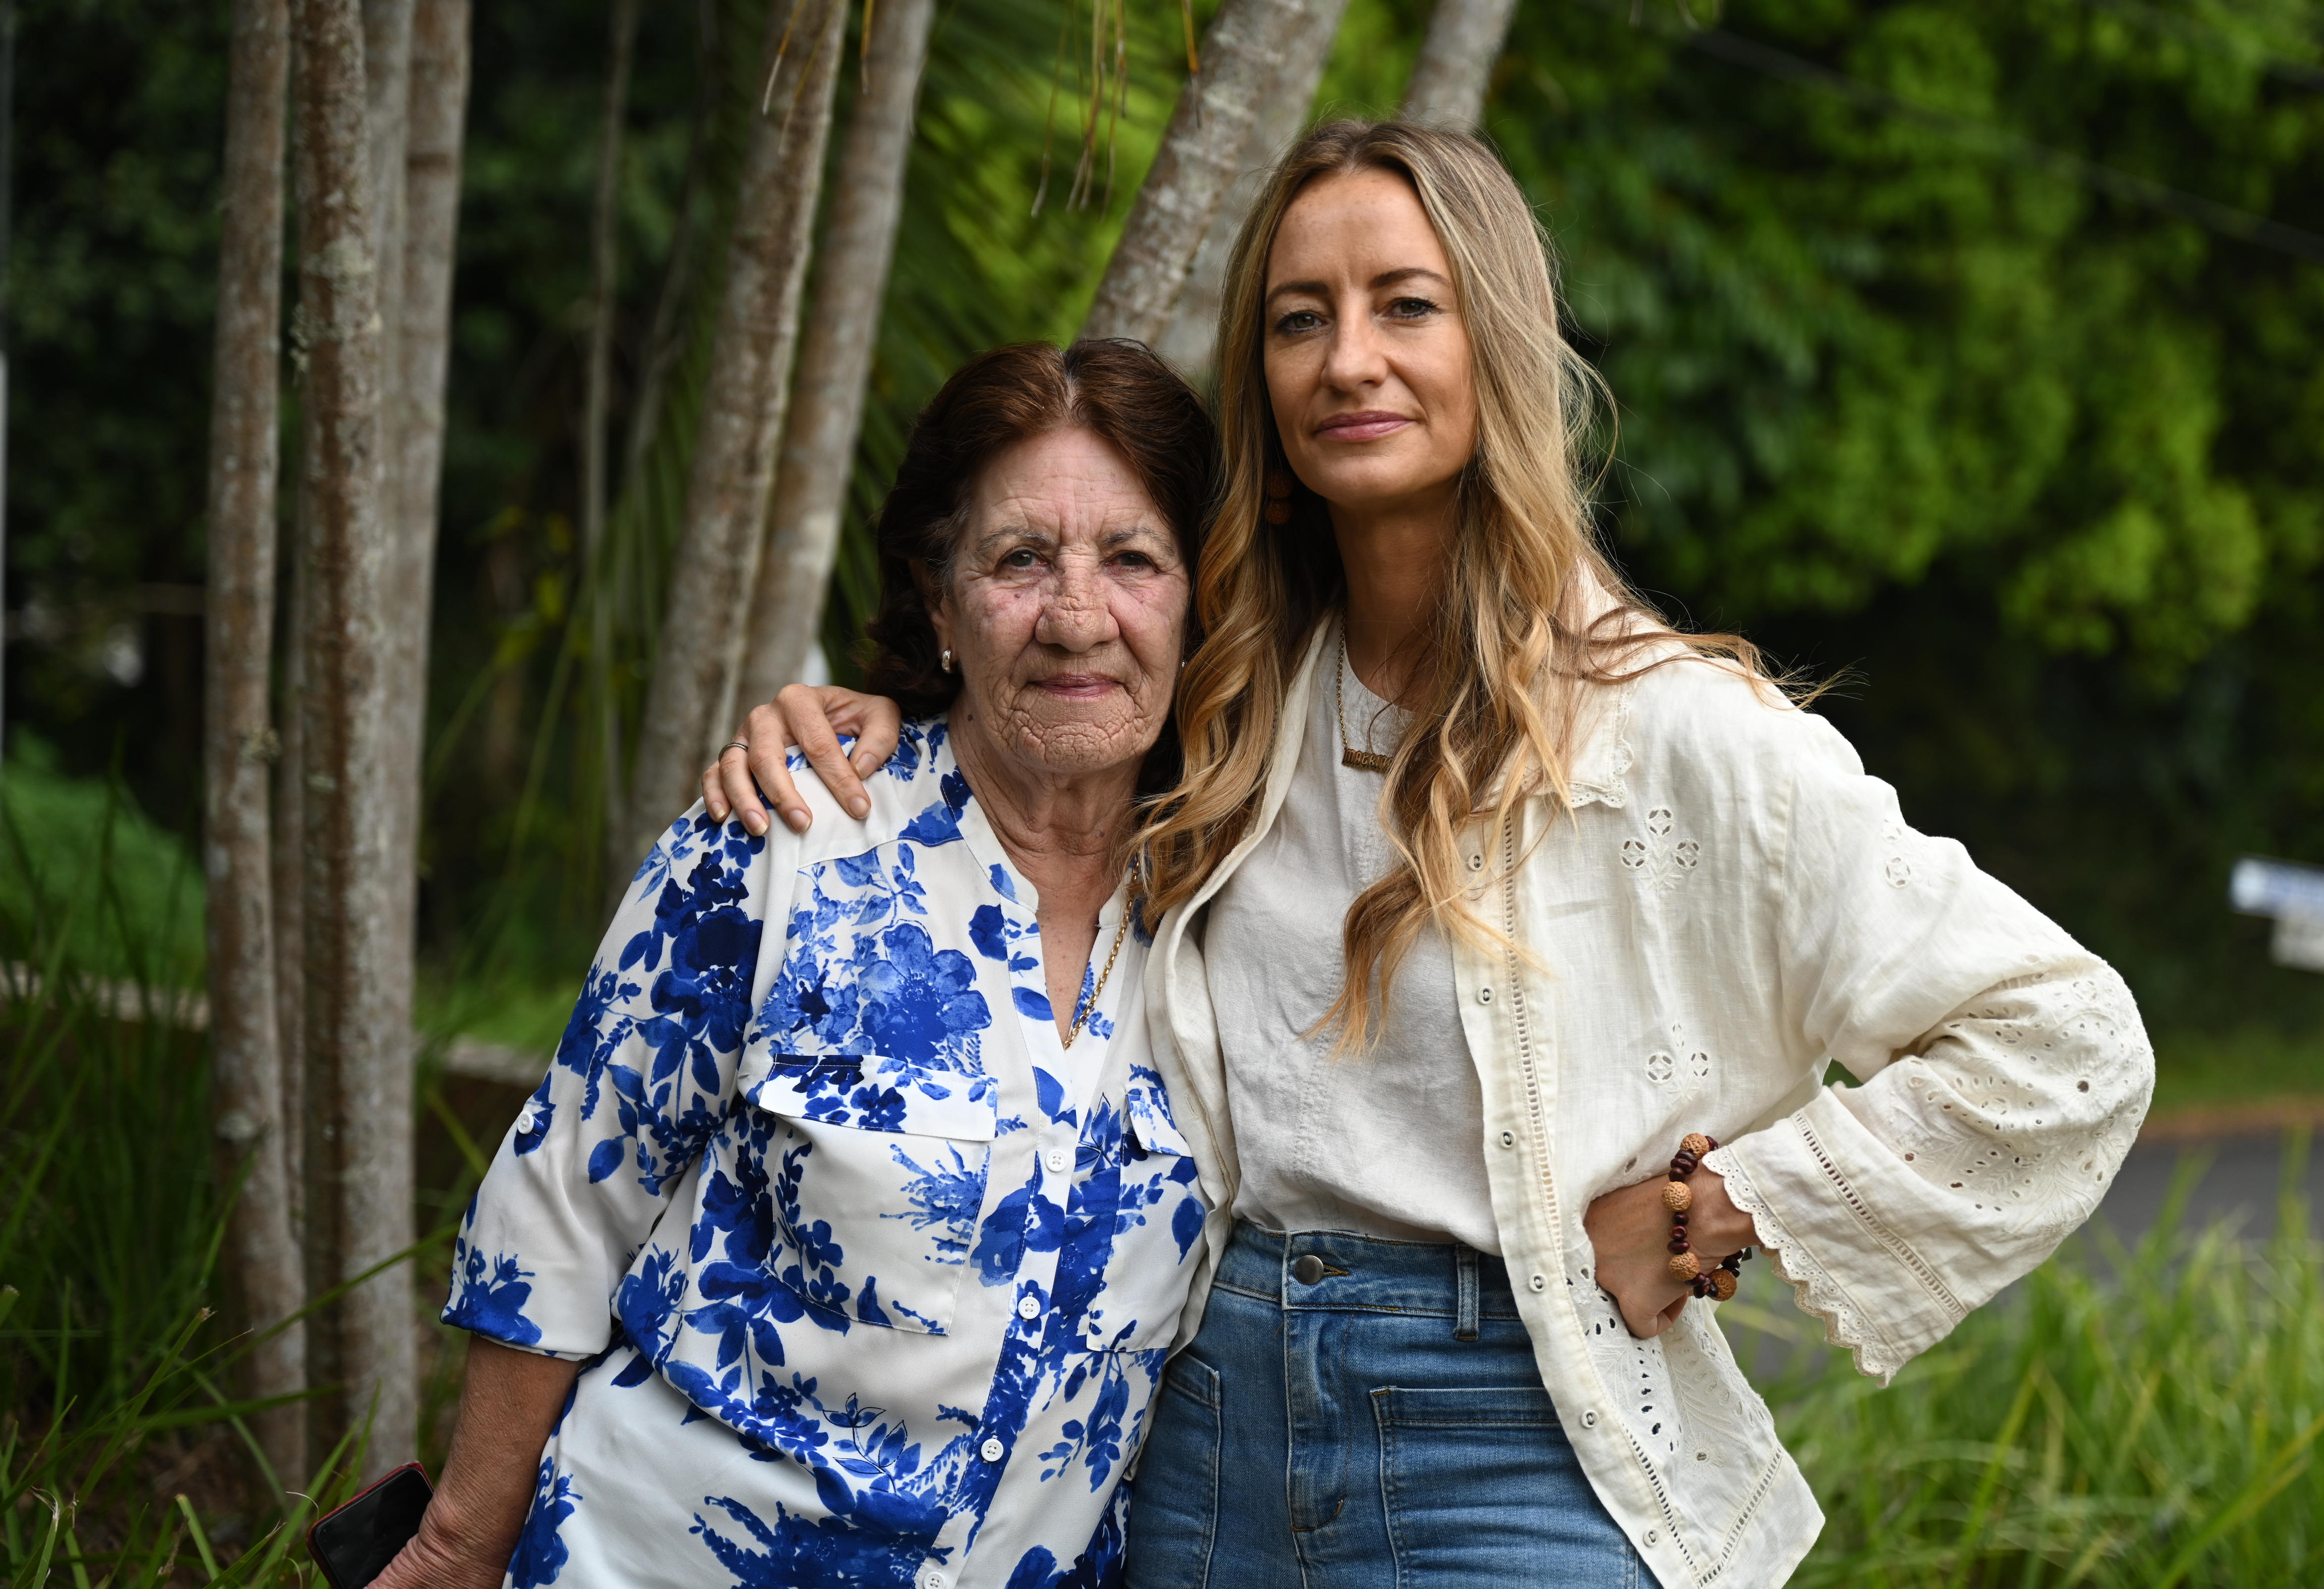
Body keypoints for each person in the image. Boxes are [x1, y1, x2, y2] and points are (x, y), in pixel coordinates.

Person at [711, 121, 2154, 1589]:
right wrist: (861, 717)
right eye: (1299, 318)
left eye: (1407, 303)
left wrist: (1719, 1210)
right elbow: (1039, 702)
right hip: (1204, 1441)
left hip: (1509, 1435)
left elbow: (2069, 1044)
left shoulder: (1666, 730)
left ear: (1500, 342)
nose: (1349, 358)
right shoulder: (1229, 691)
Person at [384, 340, 1219, 1589]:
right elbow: (565, 1199)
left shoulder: (1230, 900)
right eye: (1019, 559)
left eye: (1134, 559)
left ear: (1203, 597)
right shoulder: (788, 839)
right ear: (940, 601)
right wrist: (453, 1548)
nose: (1077, 615)